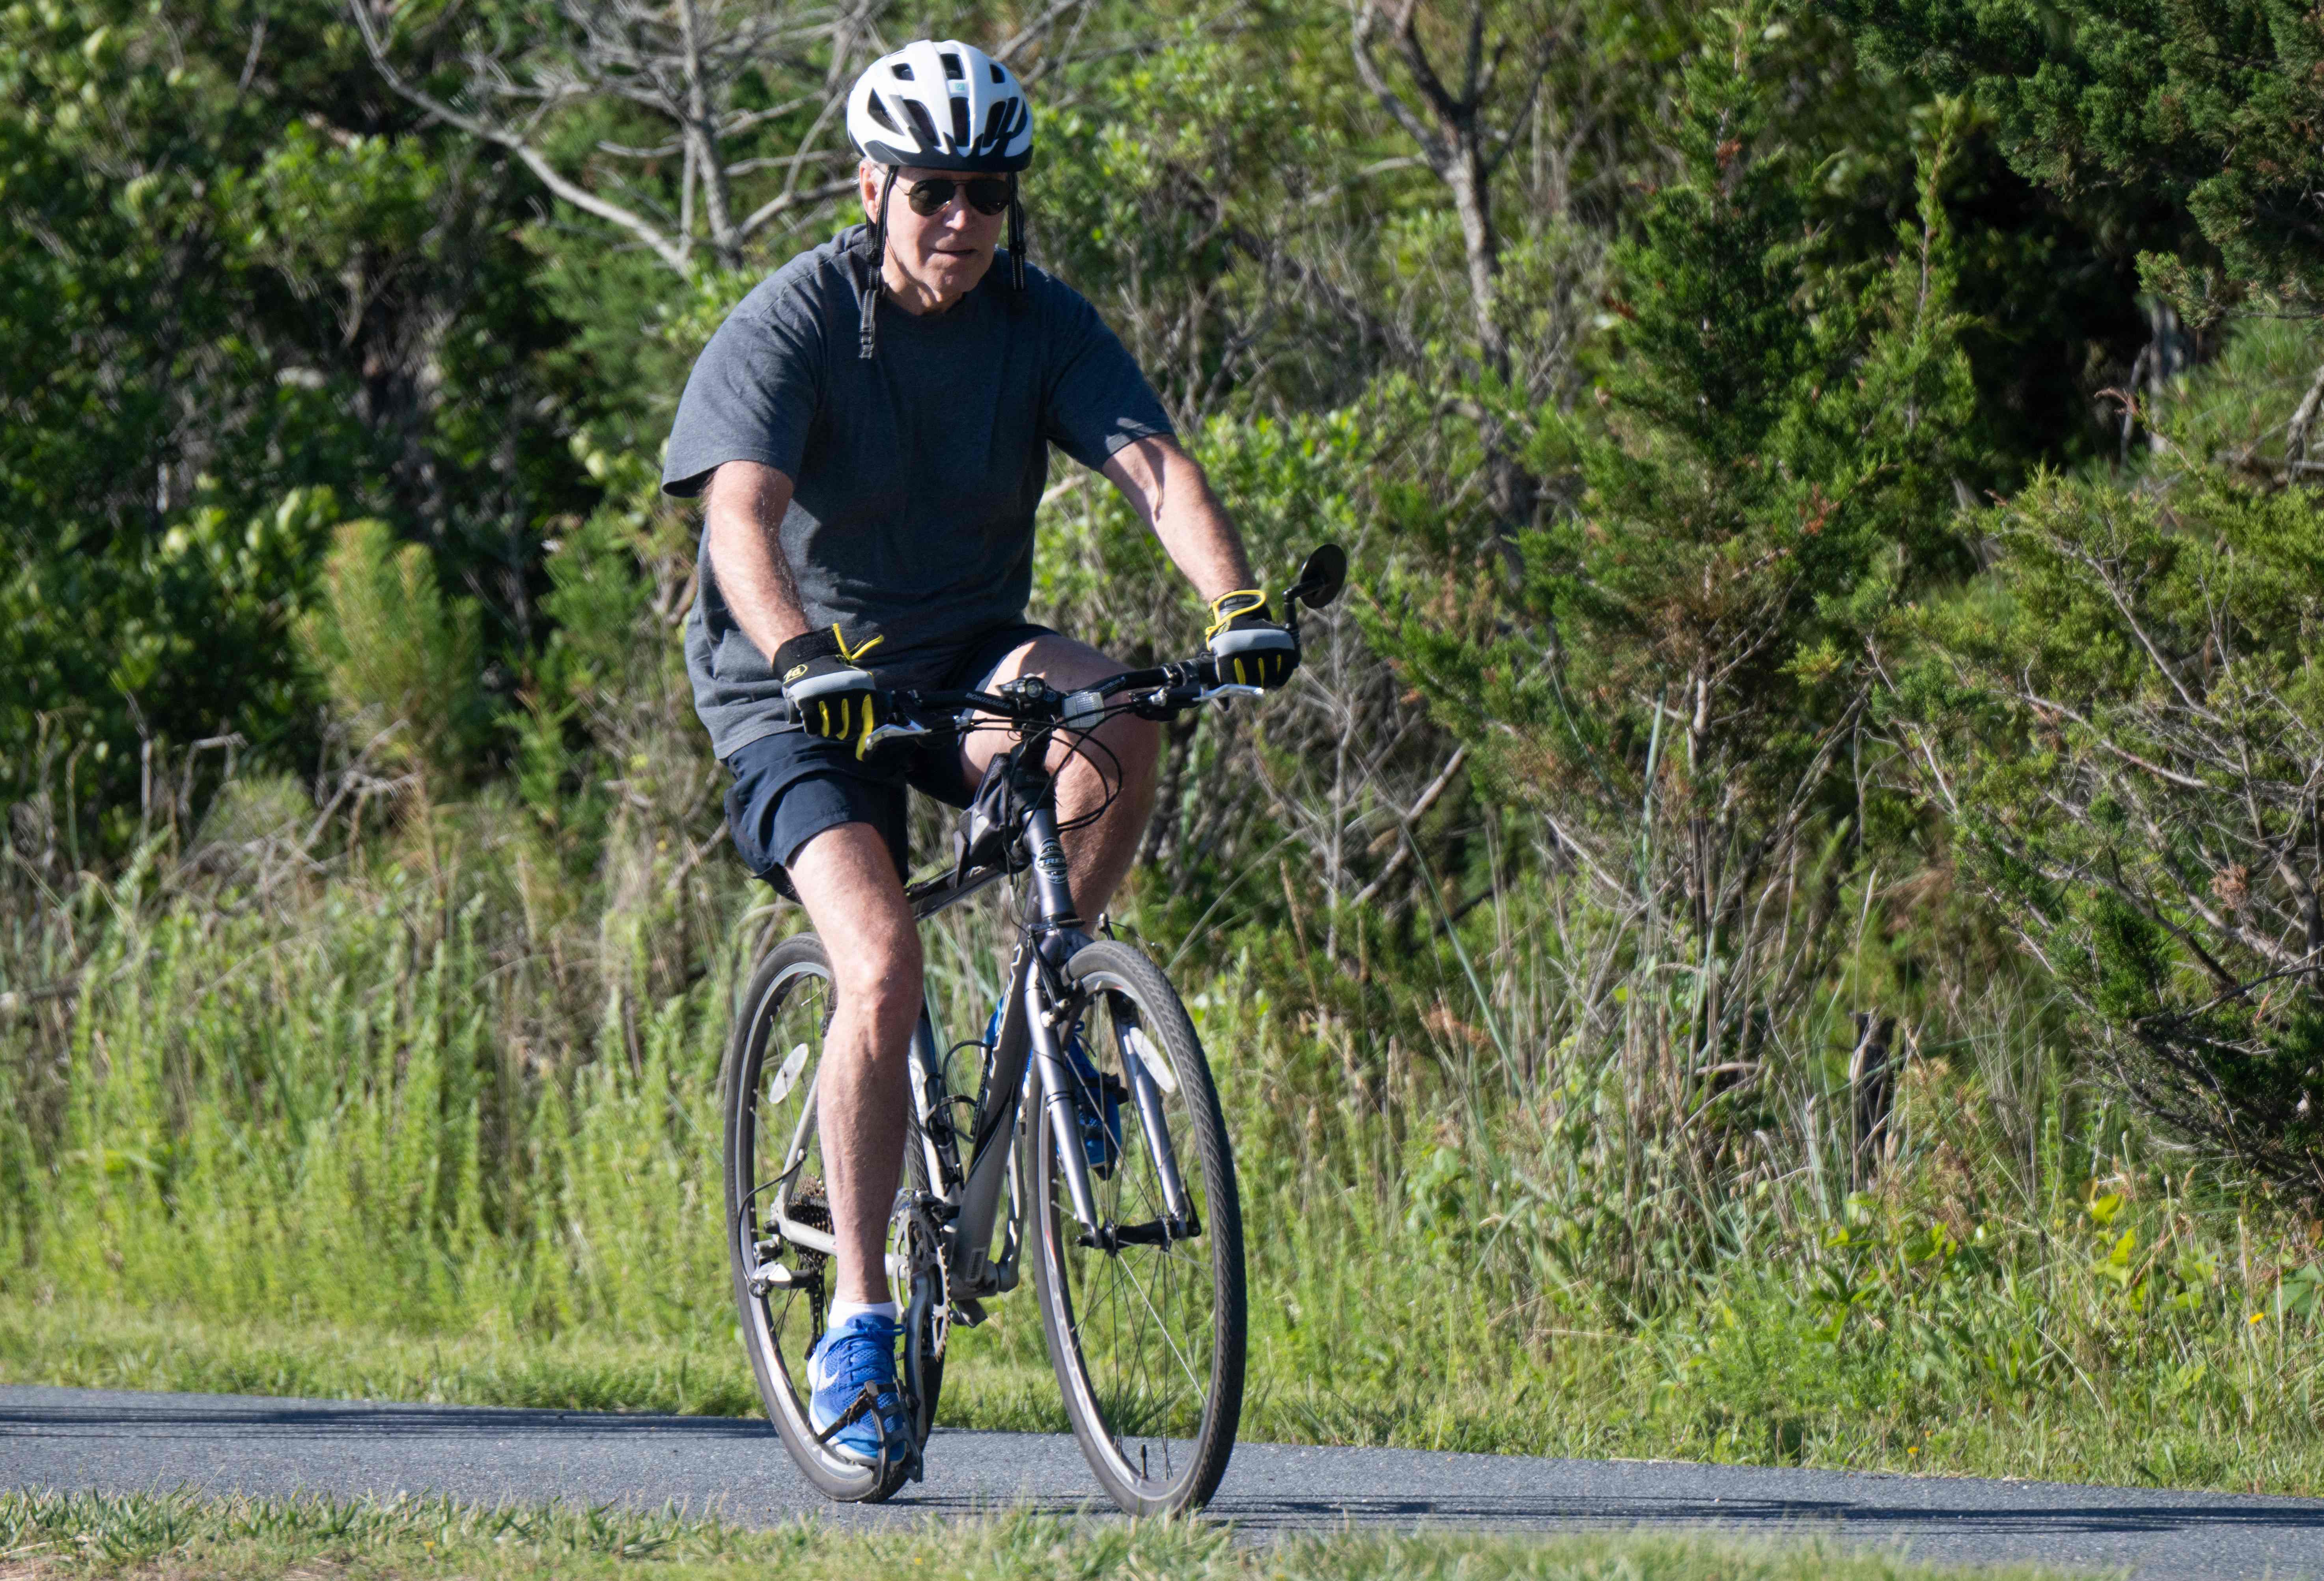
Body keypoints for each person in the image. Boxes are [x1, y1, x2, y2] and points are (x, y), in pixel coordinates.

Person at [660, 38, 1297, 1469]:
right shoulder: (794, 322)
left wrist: (1236, 604)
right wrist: (800, 655)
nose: (963, 218)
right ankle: (866, 1317)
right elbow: (740, 522)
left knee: (1119, 708)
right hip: (793, 686)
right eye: (936, 188)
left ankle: (1052, 999)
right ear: (873, 186)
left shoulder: (1035, 319)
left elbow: (1154, 469)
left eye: (991, 192)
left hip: (957, 662)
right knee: (879, 958)